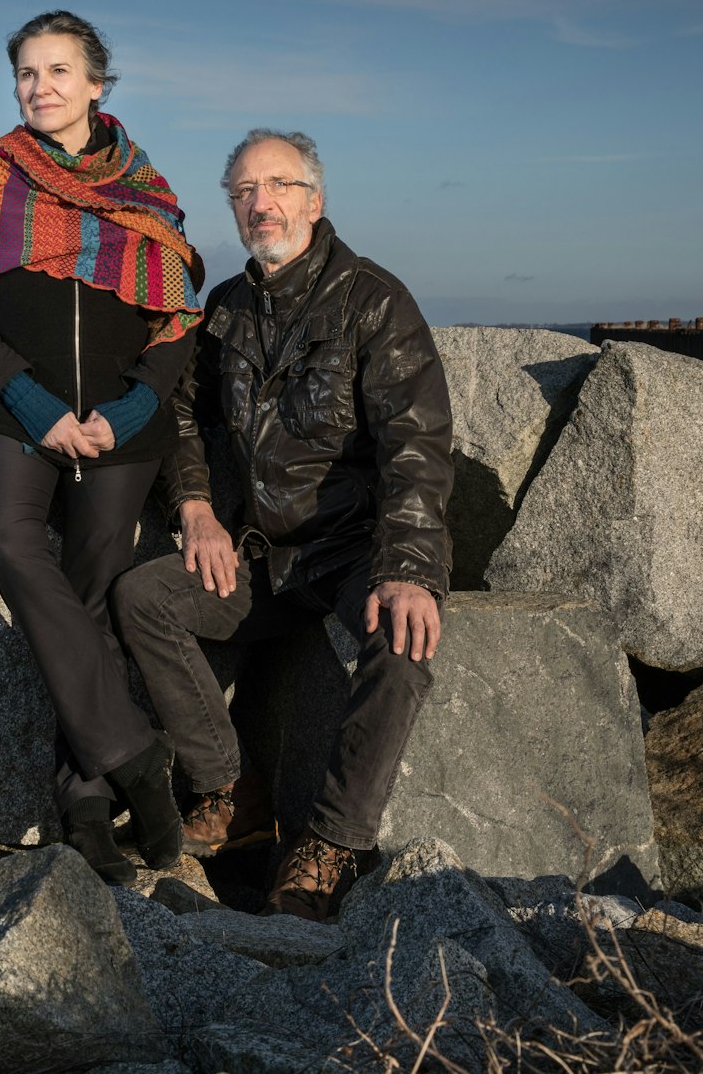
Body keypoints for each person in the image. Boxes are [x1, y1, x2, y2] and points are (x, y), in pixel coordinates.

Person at [113, 128, 453, 920]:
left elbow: (418, 444)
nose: (259, 203)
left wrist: (407, 567)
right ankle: (230, 789)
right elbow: (182, 412)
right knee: (143, 598)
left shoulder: (375, 301)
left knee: (404, 642)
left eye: (277, 186)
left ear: (315, 199)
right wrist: (194, 508)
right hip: (260, 557)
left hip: (350, 552)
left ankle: (333, 840)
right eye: (242, 190)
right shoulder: (225, 308)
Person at [0, 10, 205, 884]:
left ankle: (81, 800)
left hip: (124, 423)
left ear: (97, 85)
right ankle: (135, 756)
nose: (41, 87)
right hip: (9, 412)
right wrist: (38, 405)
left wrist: (133, 404)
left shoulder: (146, 189)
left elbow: (178, 322)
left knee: (90, 591)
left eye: (59, 71)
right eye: (28, 74)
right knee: (8, 539)